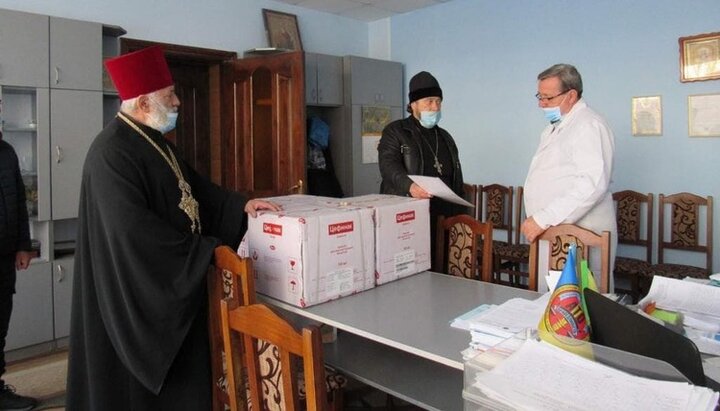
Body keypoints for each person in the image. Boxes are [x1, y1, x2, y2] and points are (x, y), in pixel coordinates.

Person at [66, 46, 279, 410]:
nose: (178, 102)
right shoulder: (110, 153)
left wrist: (239, 205)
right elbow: (131, 234)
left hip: (176, 291)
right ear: (143, 103)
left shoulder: (154, 142)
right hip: (137, 298)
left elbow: (196, 189)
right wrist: (203, 251)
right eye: (170, 96)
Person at [521, 63, 617, 290]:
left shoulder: (589, 125)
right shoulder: (554, 128)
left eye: (547, 98)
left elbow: (592, 184)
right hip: (553, 233)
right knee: (551, 302)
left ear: (571, 95)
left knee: (581, 301)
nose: (541, 104)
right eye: (539, 97)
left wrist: (543, 218)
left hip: (582, 233)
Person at [377, 71, 465, 267]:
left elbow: (455, 175)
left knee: (442, 268)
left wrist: (461, 212)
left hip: (443, 217)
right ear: (413, 104)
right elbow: (388, 166)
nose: (435, 107)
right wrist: (411, 187)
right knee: (413, 268)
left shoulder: (445, 137)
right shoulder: (396, 131)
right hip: (408, 213)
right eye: (429, 101)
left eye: (438, 101)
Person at [0, 132, 38, 411]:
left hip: (5, 256)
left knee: (0, 325)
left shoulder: (7, 152)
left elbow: (19, 202)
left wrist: (24, 246)